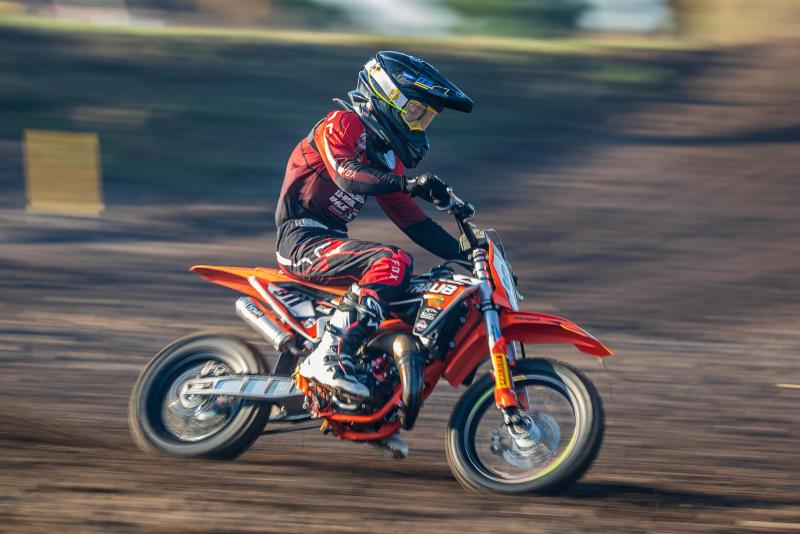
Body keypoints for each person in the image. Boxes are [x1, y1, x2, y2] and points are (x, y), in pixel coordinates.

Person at [275, 51, 473, 398]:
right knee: (393, 261)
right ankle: (329, 357)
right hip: (301, 240)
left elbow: (415, 224)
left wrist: (472, 258)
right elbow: (346, 174)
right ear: (387, 96)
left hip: (331, 243)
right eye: (416, 113)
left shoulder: (385, 159)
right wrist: (408, 184)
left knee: (420, 287)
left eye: (425, 119)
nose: (418, 126)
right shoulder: (342, 123)